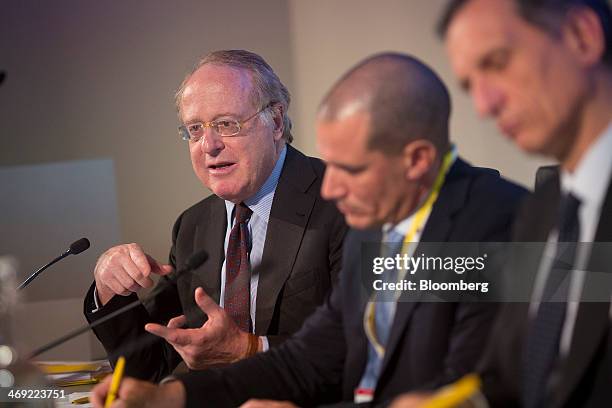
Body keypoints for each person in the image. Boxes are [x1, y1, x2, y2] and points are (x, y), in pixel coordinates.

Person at [90, 52, 526, 408]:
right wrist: (172, 398)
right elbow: (313, 358)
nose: (331, 186)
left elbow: (476, 387)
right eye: (195, 130)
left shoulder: (495, 221)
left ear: (416, 160)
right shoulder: (386, 229)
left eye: (350, 168)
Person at [391, 0, 612, 406]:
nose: (484, 106)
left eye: (497, 62)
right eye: (470, 86)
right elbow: (512, 378)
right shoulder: (543, 207)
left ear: (582, 36)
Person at [83, 50, 347, 381]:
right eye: (195, 129)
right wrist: (110, 289)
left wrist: (248, 350)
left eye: (226, 124)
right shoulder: (192, 226)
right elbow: (152, 365)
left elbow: (365, 348)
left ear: (276, 121)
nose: (208, 145)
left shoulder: (344, 203)